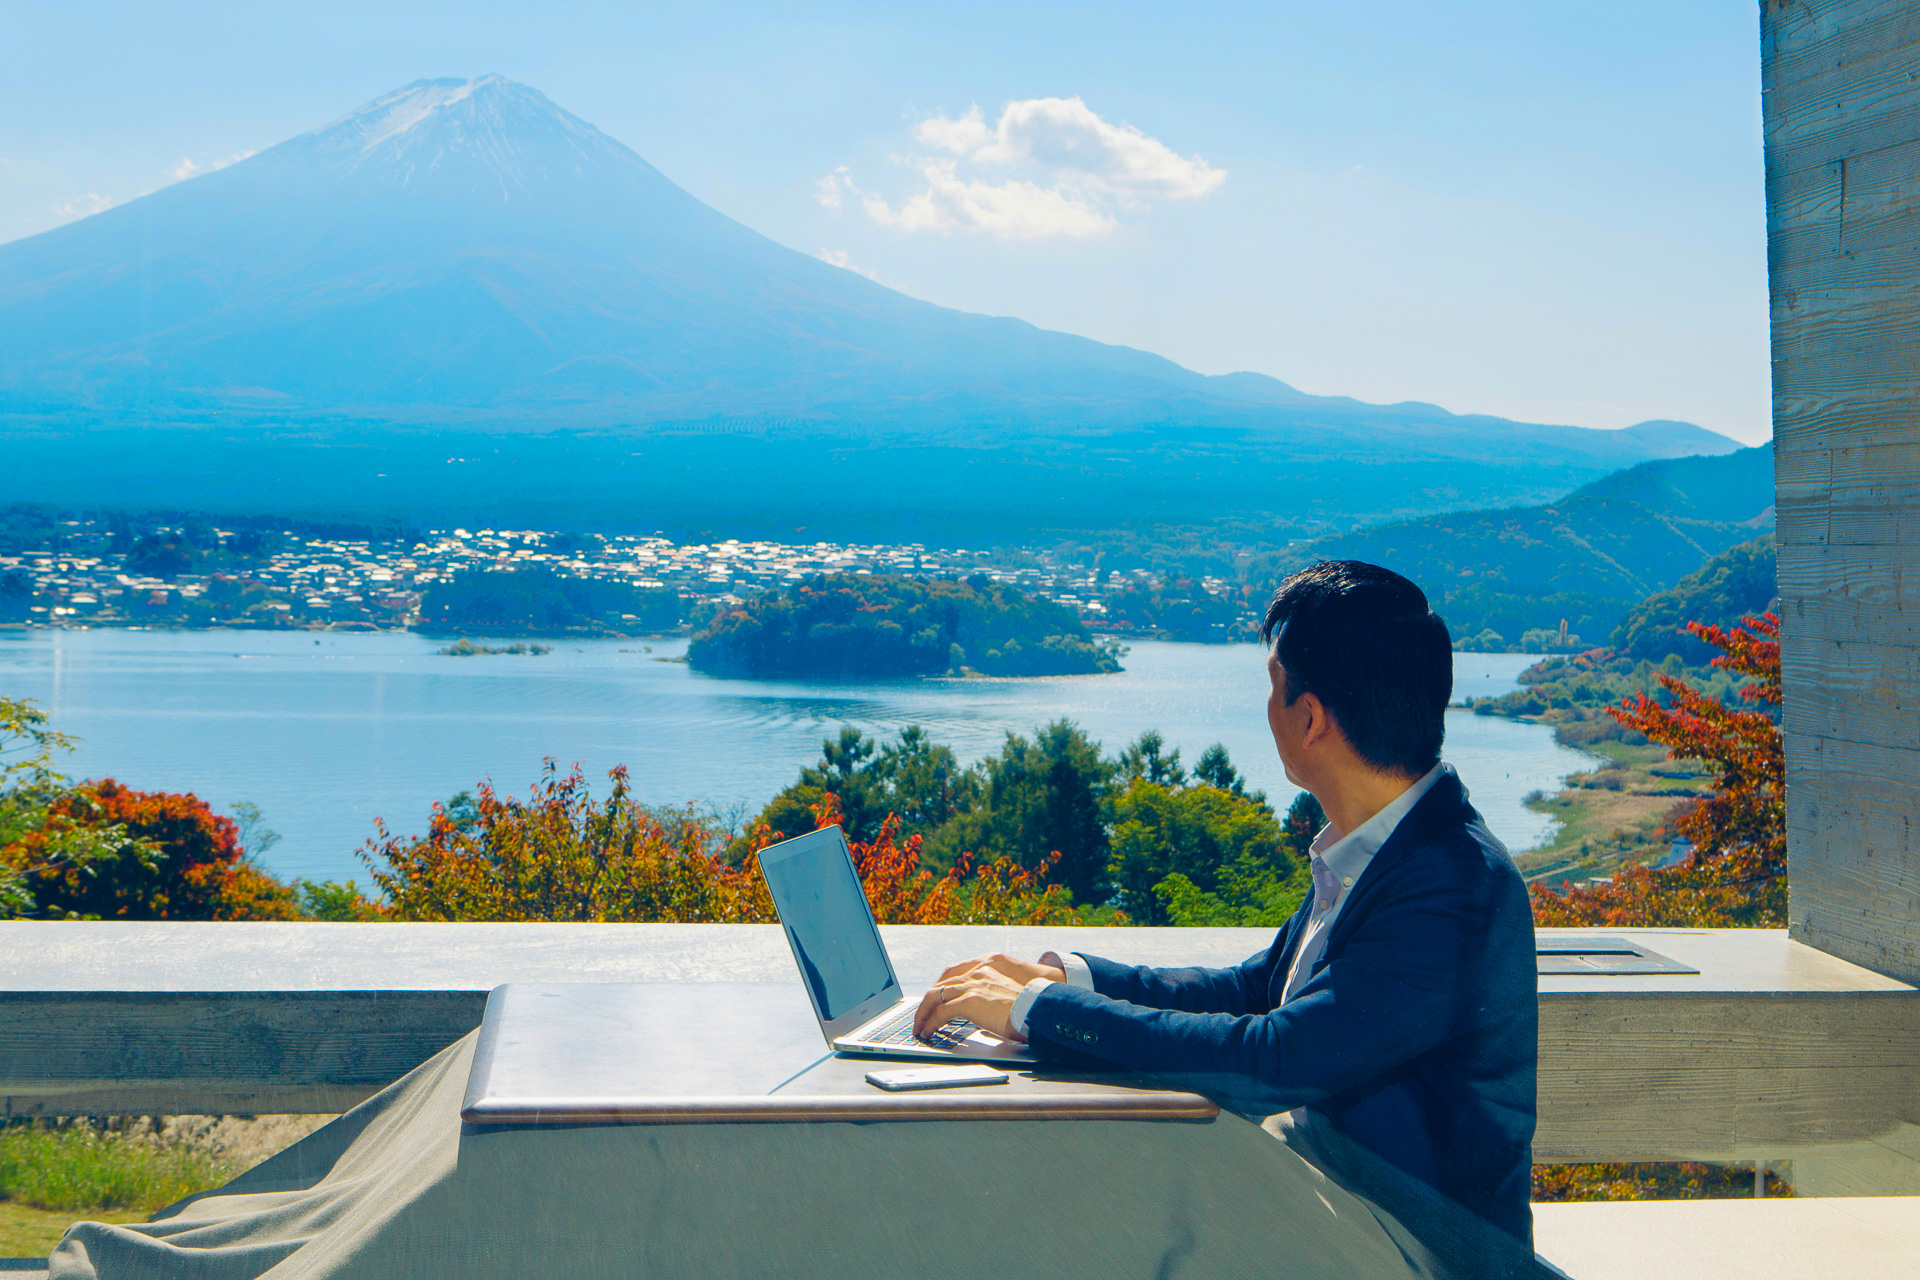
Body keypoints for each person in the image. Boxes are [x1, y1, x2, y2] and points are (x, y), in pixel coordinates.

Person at [913, 560, 1538, 1246]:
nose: (1267, 707)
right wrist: (1069, 980)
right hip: (1339, 1211)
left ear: (1310, 718)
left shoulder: (1452, 884)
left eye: (1273, 685)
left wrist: (1038, 1011)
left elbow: (1275, 1058)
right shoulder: (1385, 850)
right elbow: (1255, 991)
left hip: (1418, 1246)